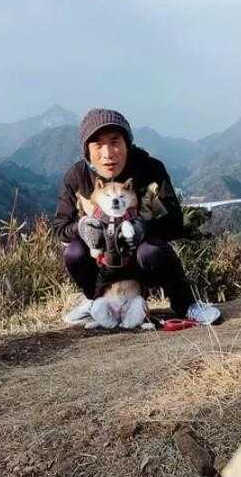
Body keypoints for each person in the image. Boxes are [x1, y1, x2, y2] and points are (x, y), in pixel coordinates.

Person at [55, 108, 221, 326]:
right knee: (74, 253)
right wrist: (83, 227)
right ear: (87, 150)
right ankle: (94, 300)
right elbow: (60, 229)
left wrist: (143, 227)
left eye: (115, 142)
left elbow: (175, 222)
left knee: (152, 251)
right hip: (102, 265)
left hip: (139, 263)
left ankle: (187, 304)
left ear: (127, 144)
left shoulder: (150, 170)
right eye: (98, 145)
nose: (107, 153)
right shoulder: (77, 178)